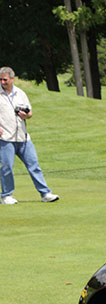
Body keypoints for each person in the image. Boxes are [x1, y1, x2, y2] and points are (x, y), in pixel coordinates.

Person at [0, 67, 58, 204]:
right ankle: (6, 195)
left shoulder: (20, 93)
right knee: (7, 168)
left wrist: (27, 115)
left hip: (23, 137)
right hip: (5, 138)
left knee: (34, 165)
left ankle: (45, 193)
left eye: (5, 79)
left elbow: (30, 112)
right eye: (0, 79)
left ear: (12, 79)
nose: (2, 82)